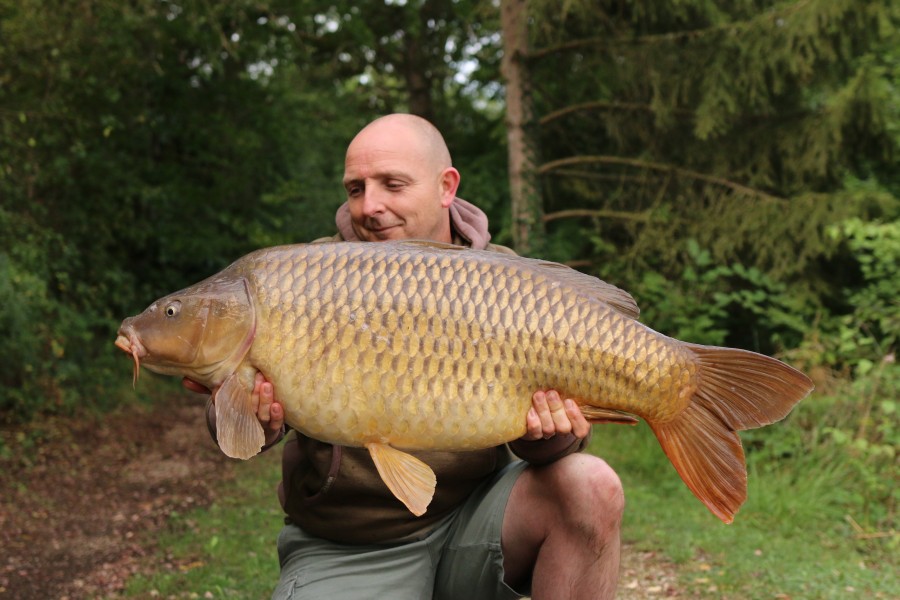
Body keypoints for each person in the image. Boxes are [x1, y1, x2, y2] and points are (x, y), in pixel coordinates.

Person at [188, 114, 624, 599]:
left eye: (392, 184)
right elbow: (232, 423)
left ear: (446, 186)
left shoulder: (507, 284)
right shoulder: (301, 278)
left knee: (591, 485)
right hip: (350, 545)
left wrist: (550, 435)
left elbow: (543, 445)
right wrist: (257, 421)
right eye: (356, 189)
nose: (370, 206)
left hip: (478, 524)